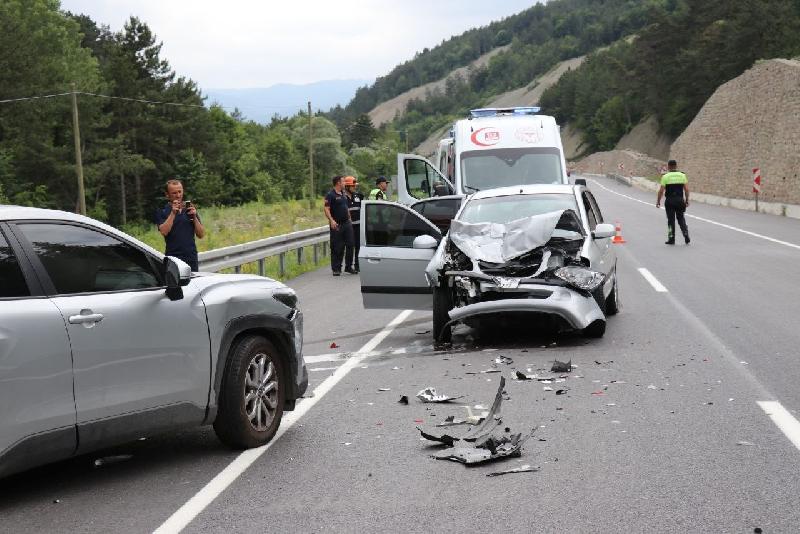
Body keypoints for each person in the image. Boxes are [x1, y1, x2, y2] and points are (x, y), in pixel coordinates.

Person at [155, 179, 205, 271]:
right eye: (174, 193)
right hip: (173, 258)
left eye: (180, 192)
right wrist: (173, 213)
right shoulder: (162, 211)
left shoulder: (189, 208)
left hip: (191, 257)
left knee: (193, 284)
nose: (178, 195)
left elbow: (201, 234)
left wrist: (194, 217)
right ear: (167, 195)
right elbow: (164, 231)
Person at [323, 175, 353, 276]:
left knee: (350, 244)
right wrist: (331, 220)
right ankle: (336, 268)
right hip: (337, 224)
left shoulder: (343, 193)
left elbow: (346, 207)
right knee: (337, 247)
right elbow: (326, 209)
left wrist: (349, 218)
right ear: (338, 183)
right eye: (343, 182)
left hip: (347, 223)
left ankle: (348, 267)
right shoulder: (330, 195)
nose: (345, 183)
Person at [656, 159, 690, 245]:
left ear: (668, 166)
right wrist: (687, 200)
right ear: (676, 166)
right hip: (680, 200)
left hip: (670, 201)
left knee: (671, 221)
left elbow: (661, 191)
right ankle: (685, 233)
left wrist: (658, 201)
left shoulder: (665, 177)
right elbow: (686, 189)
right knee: (681, 218)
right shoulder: (682, 175)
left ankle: (671, 239)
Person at [343, 176, 363, 274]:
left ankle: (358, 266)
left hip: (358, 225)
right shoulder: (342, 197)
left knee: (359, 246)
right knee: (350, 246)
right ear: (347, 187)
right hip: (348, 226)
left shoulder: (358, 196)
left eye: (355, 186)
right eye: (352, 186)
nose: (354, 187)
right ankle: (348, 266)